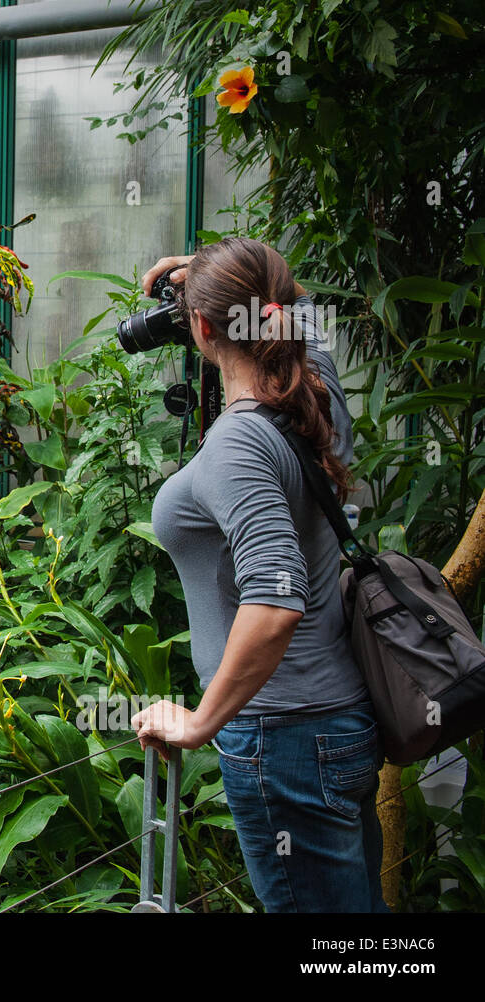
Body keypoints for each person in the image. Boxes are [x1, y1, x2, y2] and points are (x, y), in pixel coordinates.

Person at [129, 237, 386, 913]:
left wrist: (201, 723)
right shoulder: (313, 397)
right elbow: (292, 315)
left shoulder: (241, 441)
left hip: (286, 739)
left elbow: (275, 602)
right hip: (339, 724)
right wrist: (214, 280)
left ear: (203, 329)